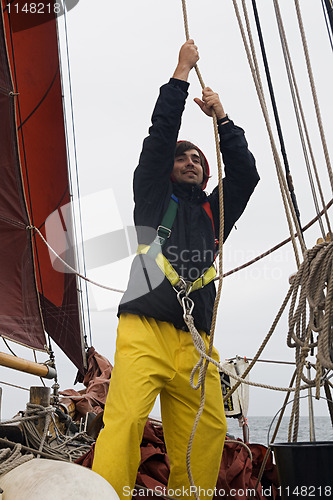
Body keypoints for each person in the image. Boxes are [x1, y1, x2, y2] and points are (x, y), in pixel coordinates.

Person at [92, 40, 259, 499]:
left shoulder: (214, 212)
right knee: (124, 423)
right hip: (144, 330)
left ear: (206, 175)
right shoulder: (151, 198)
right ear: (168, 170)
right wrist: (181, 74)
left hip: (196, 344)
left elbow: (245, 174)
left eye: (199, 160)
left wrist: (222, 119)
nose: (191, 161)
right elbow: (160, 136)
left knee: (205, 435)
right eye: (183, 158)